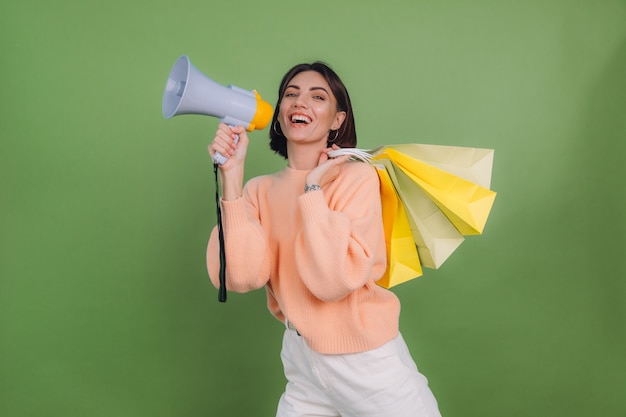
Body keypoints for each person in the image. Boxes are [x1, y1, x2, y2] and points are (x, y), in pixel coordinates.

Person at [207, 62, 442, 417]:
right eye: (290, 94)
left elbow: (334, 281)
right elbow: (240, 277)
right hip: (303, 362)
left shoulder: (357, 179)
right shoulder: (257, 190)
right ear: (280, 114)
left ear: (337, 120)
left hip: (365, 361)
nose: (300, 103)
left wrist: (313, 187)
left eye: (318, 97)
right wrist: (232, 176)